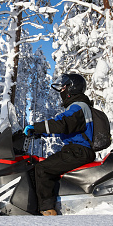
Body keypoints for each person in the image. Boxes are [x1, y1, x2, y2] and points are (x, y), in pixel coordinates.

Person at [24, 73, 96, 216]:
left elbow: (61, 124)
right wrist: (39, 133)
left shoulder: (78, 107)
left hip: (78, 151)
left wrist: (36, 127)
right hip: (76, 150)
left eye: (63, 88)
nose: (61, 91)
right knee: (44, 165)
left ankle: (47, 210)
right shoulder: (79, 107)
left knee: (42, 169)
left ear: (72, 88)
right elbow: (64, 126)